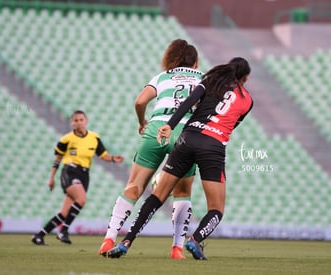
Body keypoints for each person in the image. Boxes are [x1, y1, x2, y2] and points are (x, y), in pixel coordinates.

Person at [106, 57, 253, 260]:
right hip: (213, 146)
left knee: (157, 196)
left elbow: (188, 102)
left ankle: (126, 242)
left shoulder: (210, 81)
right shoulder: (248, 100)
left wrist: (170, 125)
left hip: (188, 138)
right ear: (244, 79)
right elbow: (232, 124)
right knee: (216, 210)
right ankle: (194, 240)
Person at [98, 39, 203, 259]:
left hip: (157, 128)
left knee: (134, 186)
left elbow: (139, 102)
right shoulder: (202, 78)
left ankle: (109, 238)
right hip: (186, 132)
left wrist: (141, 122)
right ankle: (176, 248)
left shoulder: (162, 77)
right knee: (182, 192)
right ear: (194, 62)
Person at [31, 110, 124, 245]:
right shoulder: (66, 139)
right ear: (72, 123)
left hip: (85, 174)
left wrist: (114, 159)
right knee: (81, 199)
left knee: (64, 213)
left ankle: (39, 235)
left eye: (81, 119)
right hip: (70, 171)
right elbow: (57, 160)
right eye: (76, 120)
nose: (79, 122)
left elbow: (103, 155)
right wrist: (51, 178)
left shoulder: (94, 138)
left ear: (86, 121)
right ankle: (63, 231)